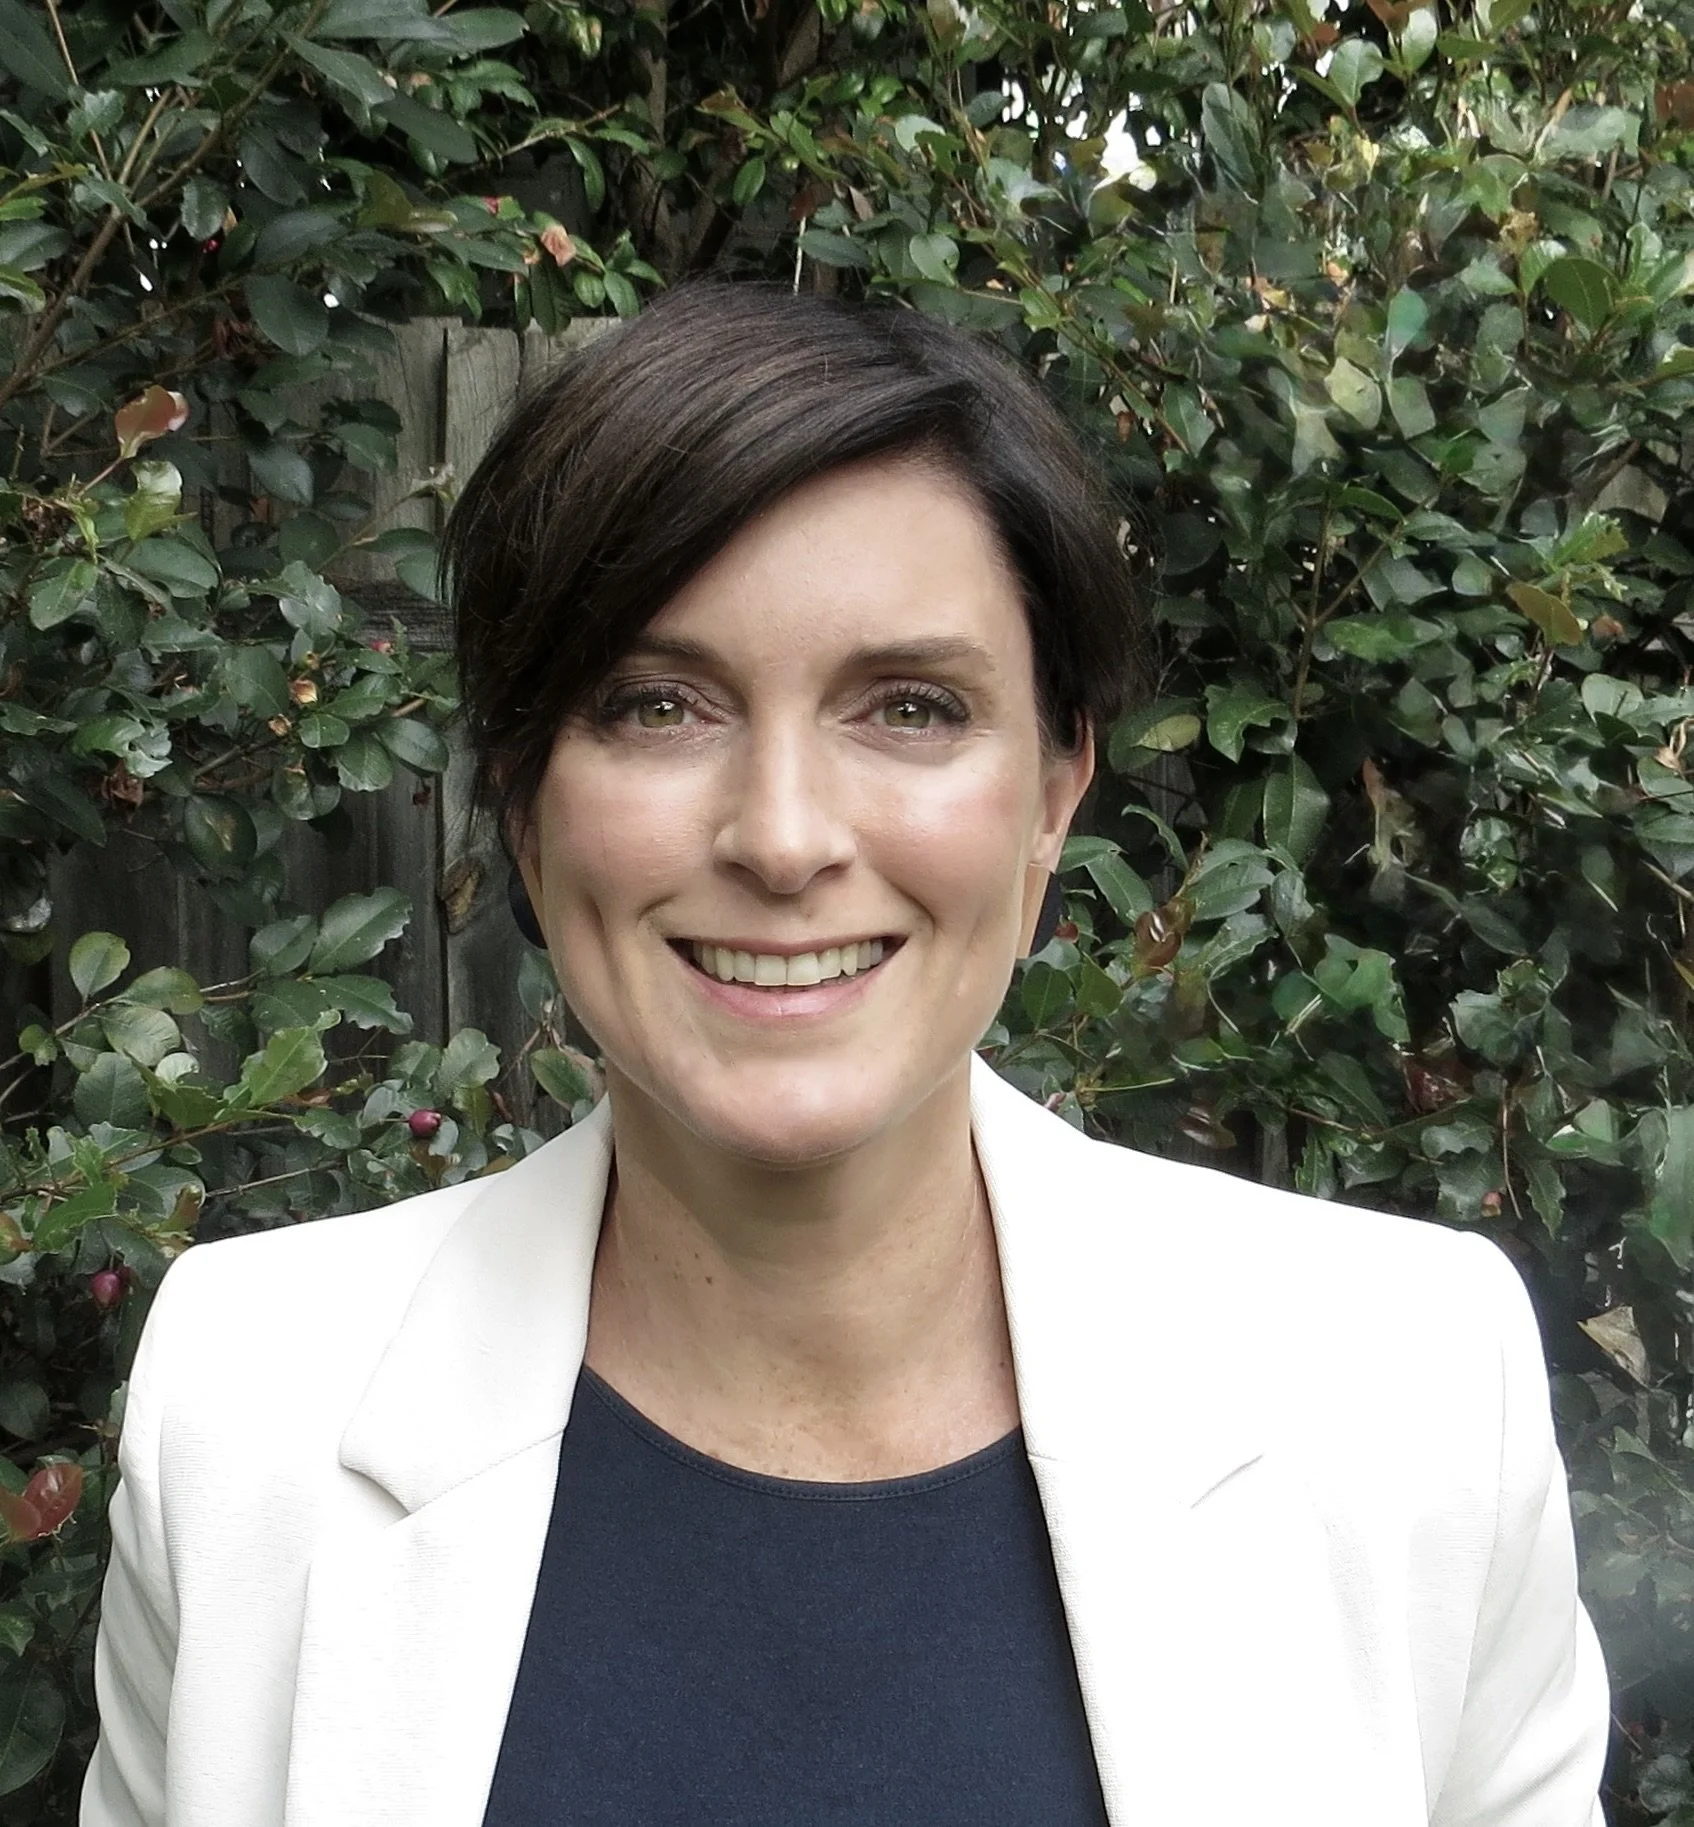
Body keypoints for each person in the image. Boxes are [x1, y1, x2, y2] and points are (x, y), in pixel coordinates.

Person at [81, 281, 1611, 1827]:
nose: (786, 836)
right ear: (525, 800)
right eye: (658, 705)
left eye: (910, 707)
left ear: (1053, 792)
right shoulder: (247, 1413)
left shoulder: (1405, 1396)